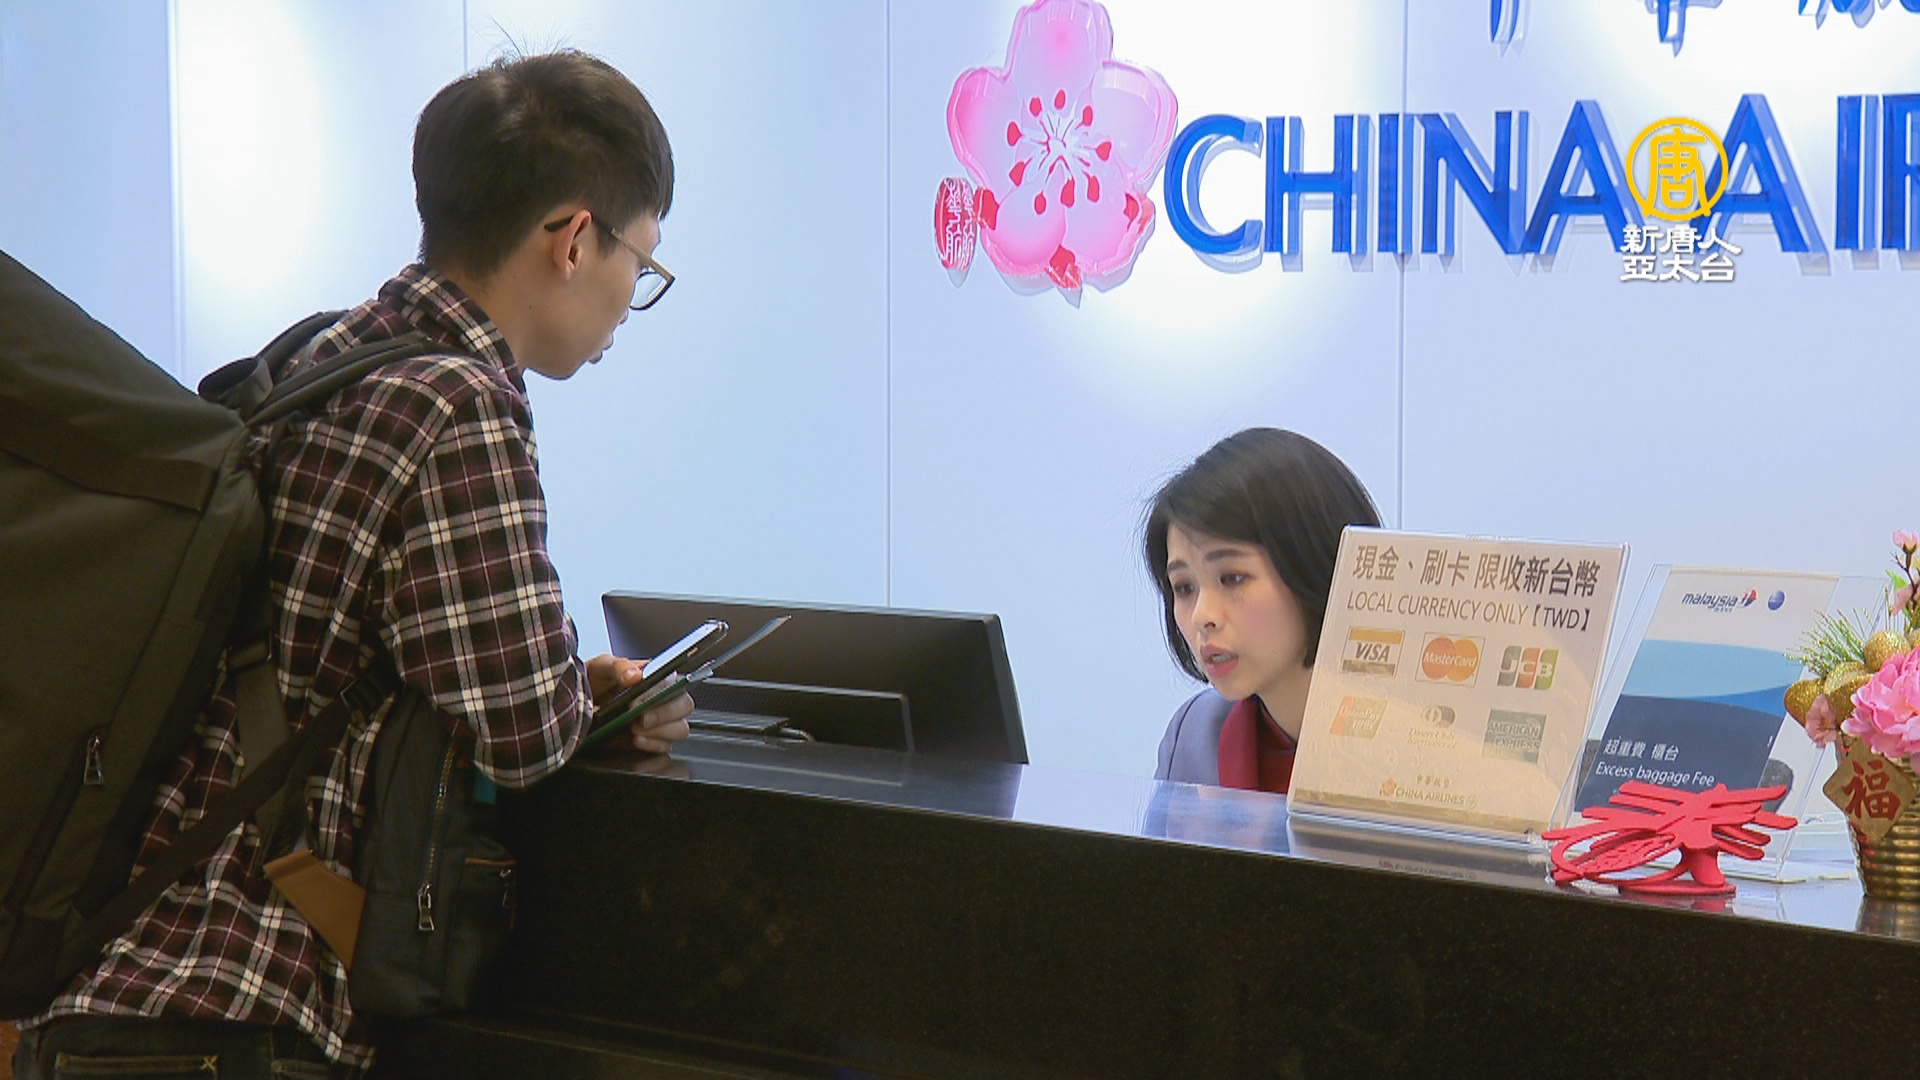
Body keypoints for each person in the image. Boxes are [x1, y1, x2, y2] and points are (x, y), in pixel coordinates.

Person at [14, 49, 690, 1078]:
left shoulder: (315, 354)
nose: (628, 300)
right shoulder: (460, 407)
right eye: (641, 265)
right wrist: (584, 696)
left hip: (112, 980)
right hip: (244, 1008)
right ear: (572, 239)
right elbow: (524, 733)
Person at [1145, 428, 1380, 793]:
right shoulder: (1193, 735)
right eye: (1184, 587)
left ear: (1317, 565)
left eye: (1233, 578)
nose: (1202, 616)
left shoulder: (1425, 739)